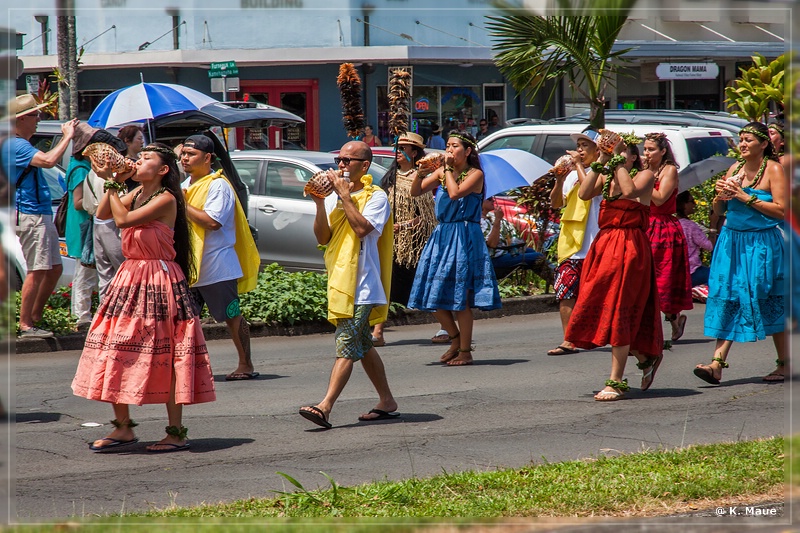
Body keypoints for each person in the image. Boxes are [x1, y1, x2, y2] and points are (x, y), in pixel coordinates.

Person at [71, 142, 215, 452]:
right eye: (138, 156)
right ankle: (123, 428)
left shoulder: (166, 198)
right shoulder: (136, 194)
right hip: (130, 279)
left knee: (166, 356)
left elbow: (122, 221)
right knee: (113, 348)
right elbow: (104, 213)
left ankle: (176, 432)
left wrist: (111, 181)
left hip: (158, 280)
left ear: (163, 170)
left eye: (146, 158)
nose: (138, 160)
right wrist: (115, 178)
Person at [298, 141, 398, 428]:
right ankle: (387, 400)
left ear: (364, 166)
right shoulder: (334, 198)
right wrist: (319, 202)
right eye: (339, 159)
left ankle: (325, 406)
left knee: (346, 344)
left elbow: (362, 229)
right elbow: (322, 237)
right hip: (341, 279)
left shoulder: (376, 197)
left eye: (348, 160)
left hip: (363, 284)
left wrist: (344, 196)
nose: (341, 165)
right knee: (362, 345)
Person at [565, 136, 663, 401]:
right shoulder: (606, 176)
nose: (617, 155)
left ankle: (616, 380)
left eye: (624, 154)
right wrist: (601, 160)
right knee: (600, 304)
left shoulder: (645, 175)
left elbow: (630, 191)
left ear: (632, 158)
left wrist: (617, 158)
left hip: (630, 246)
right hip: (605, 246)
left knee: (621, 308)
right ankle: (645, 357)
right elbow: (584, 194)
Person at [694, 122, 787, 384]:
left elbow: (782, 211)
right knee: (730, 296)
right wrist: (719, 197)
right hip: (731, 242)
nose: (743, 144)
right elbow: (721, 212)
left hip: (761, 244)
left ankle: (784, 363)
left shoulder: (774, 169)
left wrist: (745, 197)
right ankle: (717, 363)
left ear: (764, 144)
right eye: (741, 139)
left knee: (768, 299)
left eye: (749, 140)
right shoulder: (735, 168)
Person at [408, 131, 501, 366]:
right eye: (447, 145)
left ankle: (466, 351)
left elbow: (455, 192)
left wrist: (446, 169)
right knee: (433, 294)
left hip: (464, 236)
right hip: (442, 235)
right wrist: (420, 173)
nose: (449, 150)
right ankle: (456, 339)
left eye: (454, 146)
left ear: (467, 151)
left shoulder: (476, 174)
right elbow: (415, 191)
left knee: (461, 298)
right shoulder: (442, 172)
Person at [180, 134, 261, 381]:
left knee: (231, 315)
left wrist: (181, 203)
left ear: (207, 158)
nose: (184, 158)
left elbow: (212, 222)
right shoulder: (184, 186)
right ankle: (188, 368)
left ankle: (245, 364)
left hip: (217, 267)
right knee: (184, 321)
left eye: (190, 154)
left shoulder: (218, 185)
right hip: (189, 265)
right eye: (183, 153)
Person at [7, 94, 78, 337]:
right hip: (30, 212)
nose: (39, 119)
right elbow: (48, 161)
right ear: (22, 119)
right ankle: (27, 324)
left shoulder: (17, 143)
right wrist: (67, 136)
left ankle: (35, 317)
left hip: (37, 211)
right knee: (37, 269)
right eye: (36, 115)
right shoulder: (15, 144)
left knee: (53, 268)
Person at [371, 132, 436, 346]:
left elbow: (426, 217)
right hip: (393, 241)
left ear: (414, 153)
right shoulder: (390, 178)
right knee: (386, 283)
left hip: (415, 244)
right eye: (397, 149)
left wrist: (405, 226)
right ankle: (378, 332)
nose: (398, 153)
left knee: (425, 283)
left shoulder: (421, 178)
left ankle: (447, 326)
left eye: (403, 149)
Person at [546, 128, 602, 356]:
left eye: (585, 145)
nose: (579, 150)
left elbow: (588, 190)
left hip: (596, 243)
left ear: (598, 151)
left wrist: (578, 165)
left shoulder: (602, 172)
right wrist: (559, 181)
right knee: (565, 292)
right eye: (578, 145)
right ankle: (569, 339)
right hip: (571, 243)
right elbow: (556, 203)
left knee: (601, 295)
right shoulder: (570, 175)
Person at [642, 132, 693, 342]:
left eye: (651, 149)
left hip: (663, 227)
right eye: (644, 149)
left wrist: (643, 181)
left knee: (663, 279)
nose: (646, 153)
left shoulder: (669, 170)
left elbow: (661, 199)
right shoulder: (646, 170)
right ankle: (668, 323)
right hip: (644, 225)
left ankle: (672, 319)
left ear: (663, 152)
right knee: (645, 279)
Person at [81, 131, 131, 302]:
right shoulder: (104, 178)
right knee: (121, 273)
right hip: (110, 225)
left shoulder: (92, 175)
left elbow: (88, 205)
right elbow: (112, 204)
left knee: (106, 277)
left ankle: (105, 315)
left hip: (98, 223)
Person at [64, 122, 100, 330]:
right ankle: (81, 317)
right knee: (84, 273)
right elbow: (78, 202)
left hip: (85, 226)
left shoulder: (84, 166)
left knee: (87, 272)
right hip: (82, 227)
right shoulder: (80, 169)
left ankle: (82, 314)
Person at [481, 197, 545, 274]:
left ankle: (554, 278)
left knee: (530, 251)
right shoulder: (480, 221)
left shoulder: (489, 217)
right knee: (538, 256)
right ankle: (557, 277)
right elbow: (492, 244)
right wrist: (497, 220)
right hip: (494, 259)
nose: (493, 200)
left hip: (502, 252)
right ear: (481, 202)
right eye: (489, 199)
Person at [676, 191, 715, 287]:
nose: (694, 204)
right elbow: (709, 246)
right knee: (716, 275)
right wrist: (713, 225)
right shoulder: (690, 226)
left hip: (677, 271)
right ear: (684, 205)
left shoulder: (673, 223)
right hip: (692, 270)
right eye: (692, 201)